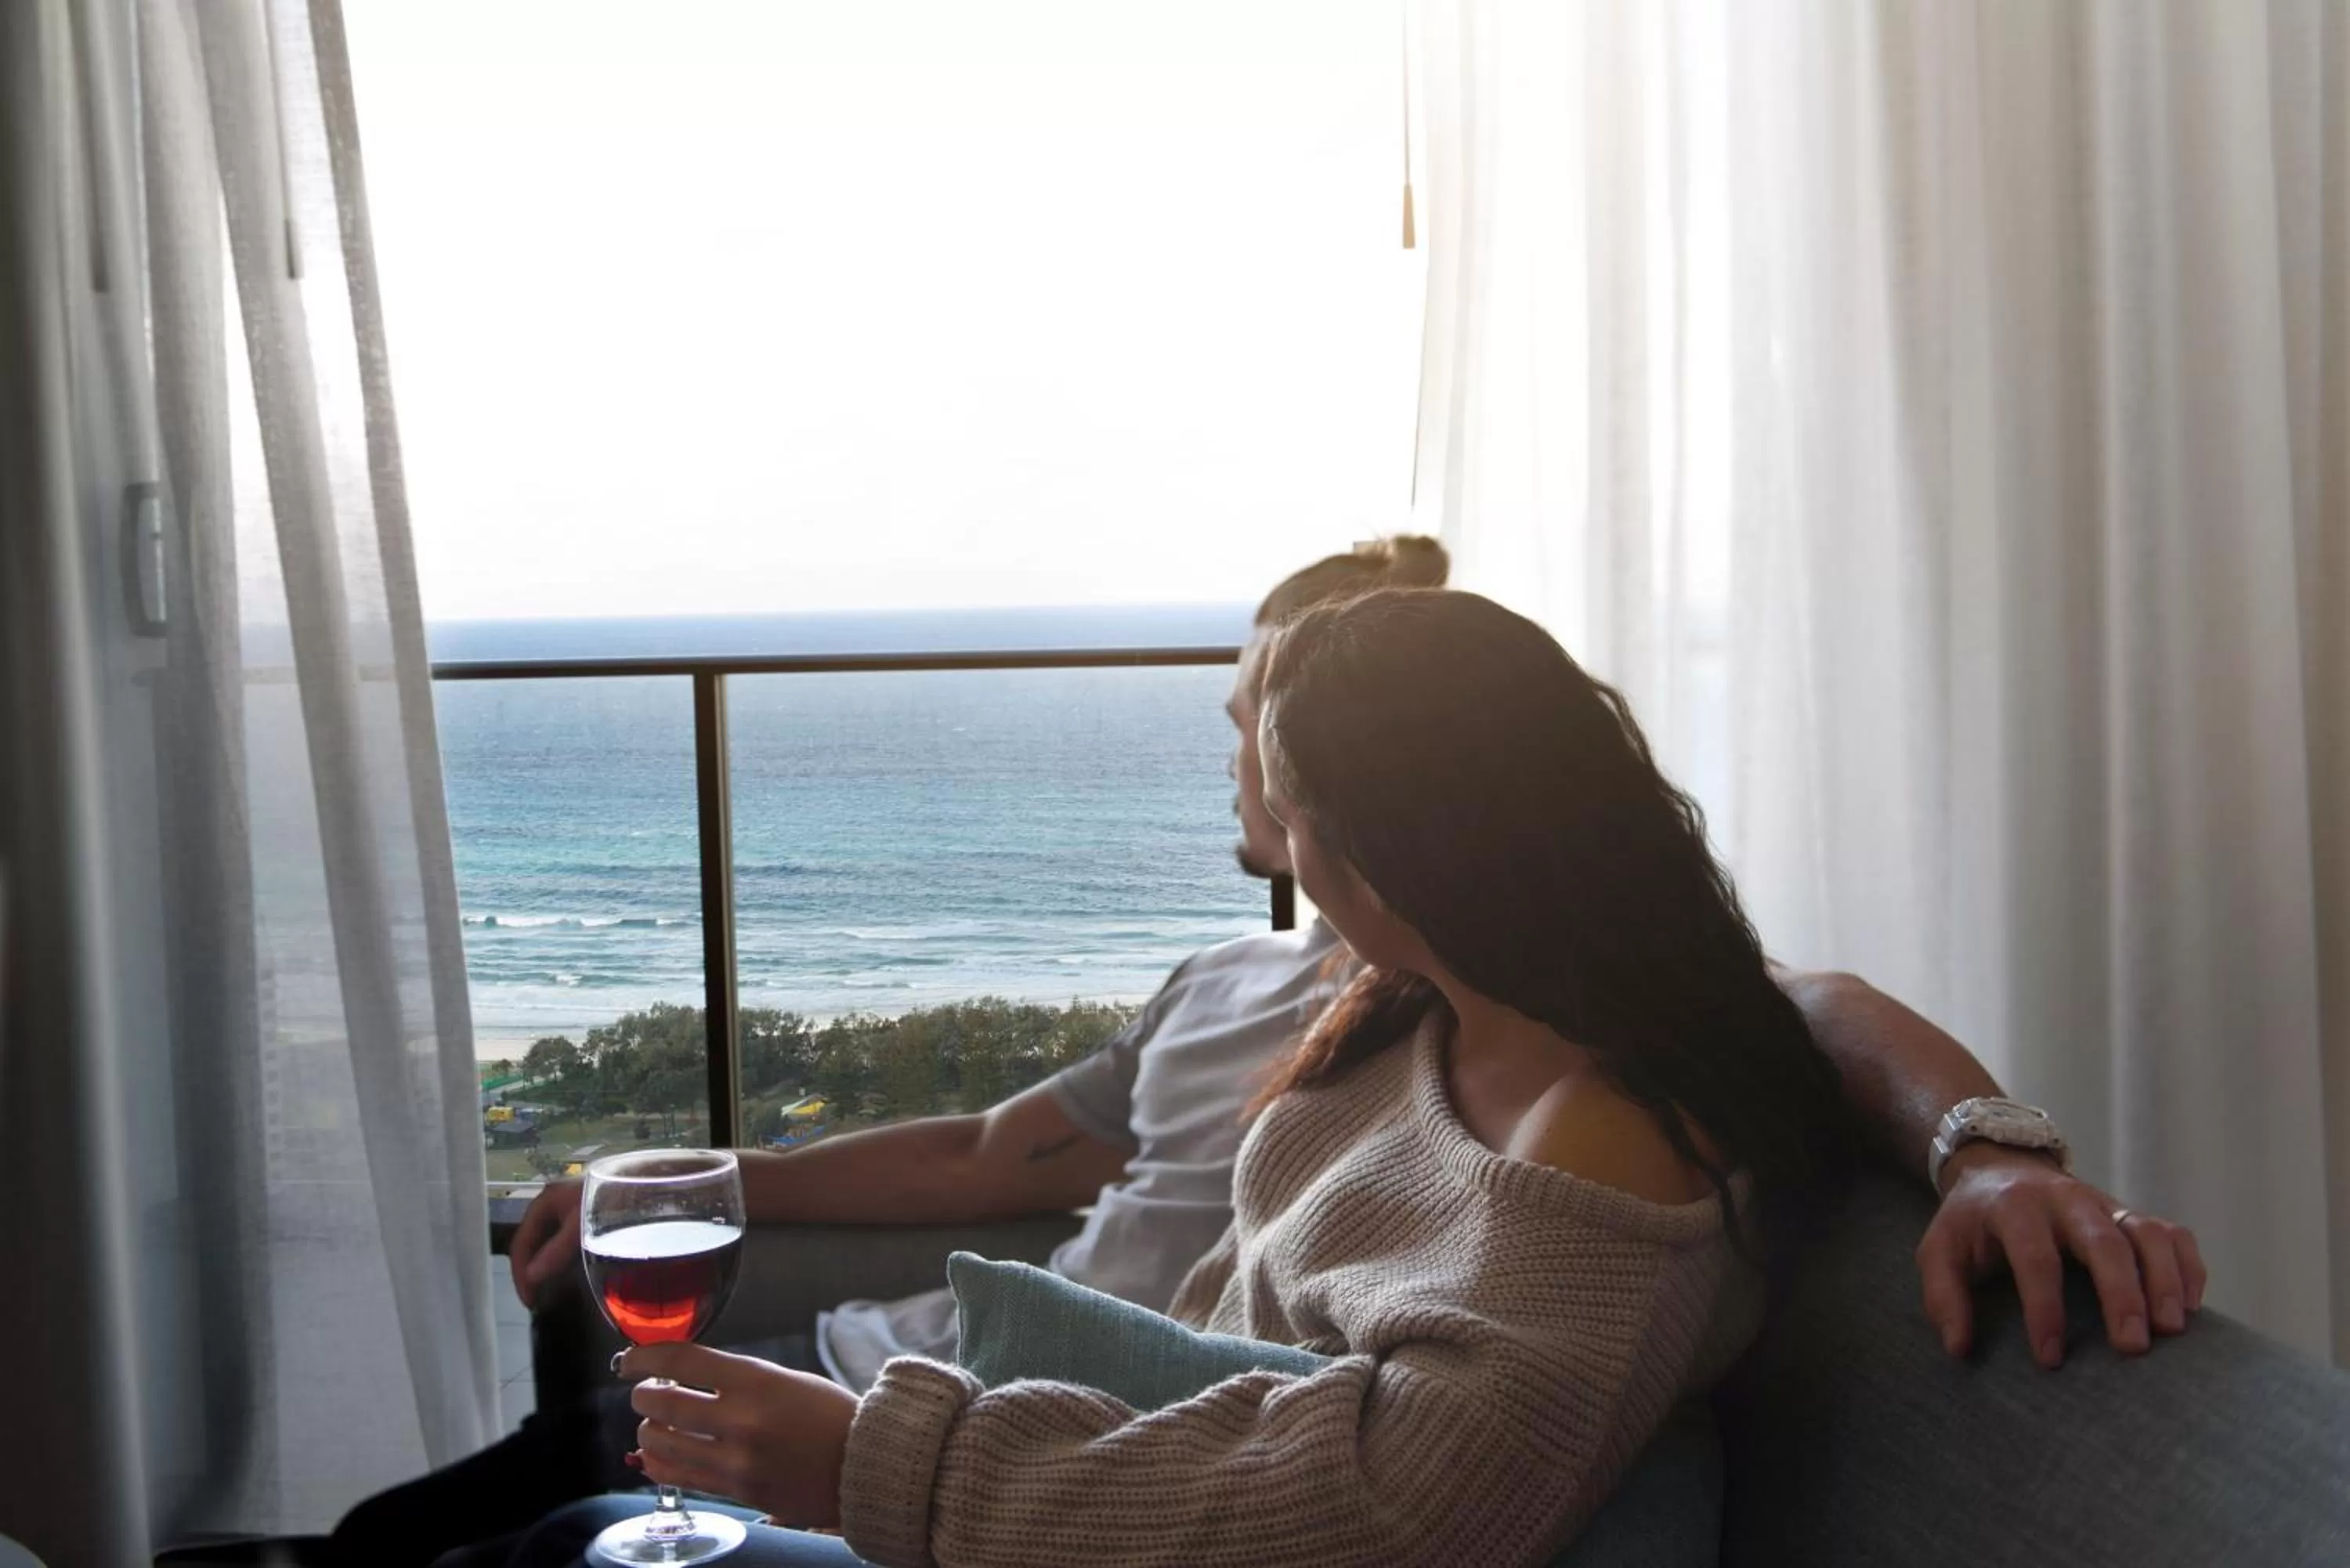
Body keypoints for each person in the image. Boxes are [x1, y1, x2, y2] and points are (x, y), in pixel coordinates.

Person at [333, 543, 2204, 1563]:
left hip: (1076, 1504)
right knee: (558, 1529)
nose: (1265, 823)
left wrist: (884, 1463)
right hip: (1106, 1466)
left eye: (1281, 783)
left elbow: (1387, 1502)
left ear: (1389, 840)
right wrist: (1987, 1135)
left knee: (557, 1549)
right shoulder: (1449, 1007)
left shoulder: (1608, 1135)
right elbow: (1822, 1004)